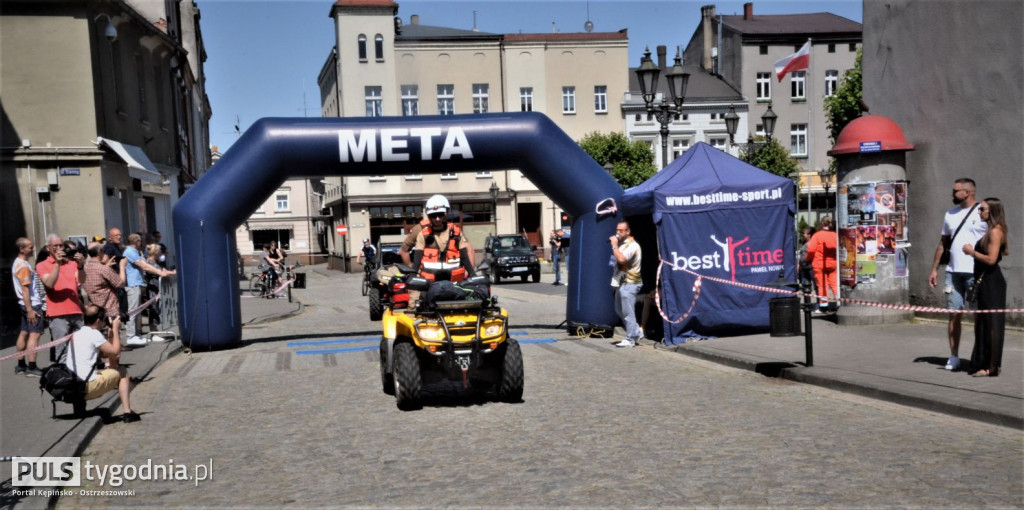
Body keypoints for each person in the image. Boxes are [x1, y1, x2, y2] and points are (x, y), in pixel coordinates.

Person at [928, 178, 987, 371]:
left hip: (975, 272)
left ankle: (979, 357)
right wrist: (935, 268)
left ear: (967, 193)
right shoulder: (950, 214)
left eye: (956, 191)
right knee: (954, 314)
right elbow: (943, 243)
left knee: (979, 315)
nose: (952, 194)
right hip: (953, 272)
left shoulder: (983, 213)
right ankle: (954, 356)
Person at [66, 305, 140, 423]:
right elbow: (116, 354)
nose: (106, 322)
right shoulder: (94, 334)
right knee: (122, 372)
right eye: (104, 319)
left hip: (72, 386)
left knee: (82, 372)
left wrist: (110, 333)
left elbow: (106, 355)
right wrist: (115, 330)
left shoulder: (77, 333)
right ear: (98, 320)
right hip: (87, 388)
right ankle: (128, 413)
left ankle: (80, 411)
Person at [962, 197, 1008, 377]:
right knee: (983, 323)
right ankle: (983, 362)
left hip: (992, 282)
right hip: (985, 280)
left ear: (992, 211)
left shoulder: (996, 231)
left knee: (993, 324)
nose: (979, 212)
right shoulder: (992, 230)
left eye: (982, 209)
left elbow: (991, 259)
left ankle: (991, 366)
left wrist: (971, 252)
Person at [37, 233, 86, 362]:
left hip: (75, 311)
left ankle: (80, 378)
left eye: (61, 245)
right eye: (56, 246)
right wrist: (57, 264)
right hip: (57, 314)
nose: (60, 248)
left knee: (81, 348)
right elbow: (49, 283)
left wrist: (81, 266)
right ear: (48, 248)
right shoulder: (42, 265)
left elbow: (82, 280)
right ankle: (64, 379)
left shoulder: (71, 263)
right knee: (62, 351)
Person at [123, 233, 174, 346]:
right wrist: (160, 272)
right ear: (136, 241)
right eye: (140, 241)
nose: (142, 243)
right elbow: (144, 266)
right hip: (132, 284)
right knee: (133, 311)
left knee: (137, 311)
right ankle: (131, 336)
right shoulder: (130, 252)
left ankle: (136, 334)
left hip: (137, 283)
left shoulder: (136, 252)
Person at [411, 195, 474, 283]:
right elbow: (417, 259)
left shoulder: (456, 233)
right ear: (429, 217)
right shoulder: (423, 235)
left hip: (454, 283)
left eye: (440, 215)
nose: (437, 219)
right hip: (430, 285)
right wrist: (412, 276)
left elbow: (464, 256)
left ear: (445, 214)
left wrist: (472, 274)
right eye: (434, 215)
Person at [12, 238, 45, 377]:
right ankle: (32, 366)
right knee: (34, 334)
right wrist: (30, 310)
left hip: (23, 303)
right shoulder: (24, 266)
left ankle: (21, 364)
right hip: (31, 303)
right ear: (22, 249)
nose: (33, 249)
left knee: (24, 332)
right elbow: (26, 290)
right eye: (30, 247)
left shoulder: (17, 263)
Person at [83, 242, 127, 338]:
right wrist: (122, 266)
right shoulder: (103, 269)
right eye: (103, 250)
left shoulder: (85, 267)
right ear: (99, 251)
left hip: (94, 306)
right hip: (109, 307)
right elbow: (121, 283)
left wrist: (106, 266)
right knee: (111, 334)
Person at [610, 221, 642, 348]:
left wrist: (614, 246)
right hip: (621, 282)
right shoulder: (622, 246)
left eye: (621, 230)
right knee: (619, 309)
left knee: (628, 312)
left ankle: (630, 339)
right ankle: (636, 332)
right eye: (617, 230)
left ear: (628, 231)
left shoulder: (633, 246)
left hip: (630, 283)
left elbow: (622, 259)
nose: (618, 232)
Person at [805, 217, 839, 313]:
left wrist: (807, 259)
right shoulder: (835, 235)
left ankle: (824, 307)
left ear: (821, 224)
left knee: (822, 285)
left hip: (819, 264)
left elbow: (811, 250)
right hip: (833, 264)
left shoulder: (817, 235)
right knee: (834, 284)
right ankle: (839, 303)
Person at [798, 226, 817, 296]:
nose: (803, 235)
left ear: (809, 235)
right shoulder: (804, 243)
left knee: (816, 285)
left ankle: (819, 303)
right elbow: (801, 255)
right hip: (804, 268)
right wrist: (799, 265)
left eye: (804, 233)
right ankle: (807, 303)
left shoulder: (813, 243)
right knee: (805, 286)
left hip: (811, 268)